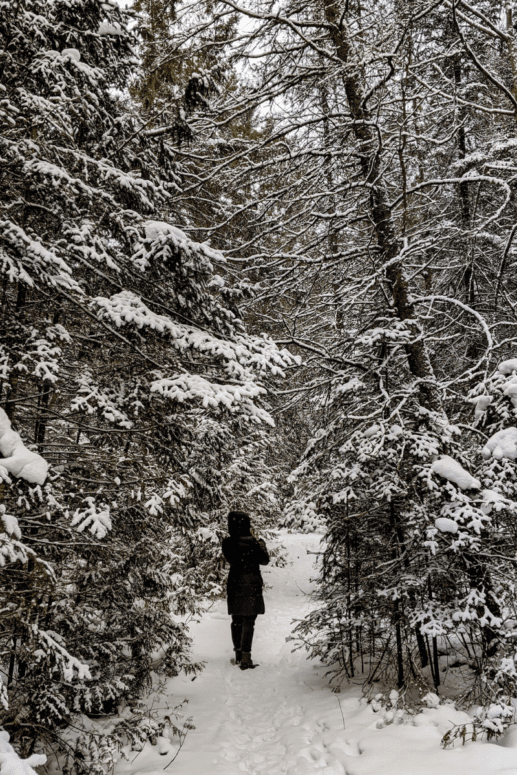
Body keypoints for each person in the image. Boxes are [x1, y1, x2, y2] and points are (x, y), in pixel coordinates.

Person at [221, 510, 270, 670]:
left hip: (235, 583)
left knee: (237, 620)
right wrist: (261, 545)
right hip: (252, 584)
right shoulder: (254, 543)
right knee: (249, 621)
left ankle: (238, 654)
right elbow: (264, 560)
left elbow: (231, 558)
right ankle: (246, 657)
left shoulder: (228, 543)